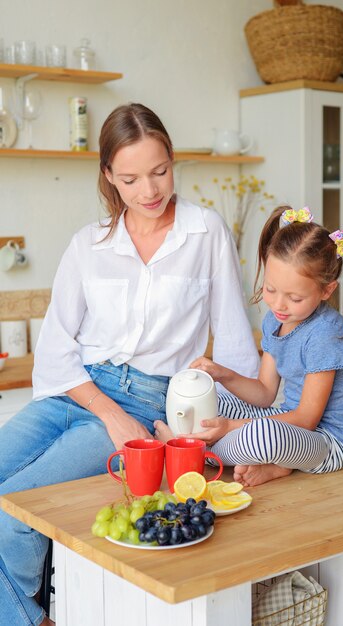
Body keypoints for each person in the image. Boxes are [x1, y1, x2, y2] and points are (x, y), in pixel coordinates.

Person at [0, 103, 259, 626]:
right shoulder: (89, 244)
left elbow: (232, 343)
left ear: (172, 160)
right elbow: (55, 348)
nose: (149, 191)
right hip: (76, 391)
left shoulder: (205, 232)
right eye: (131, 178)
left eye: (159, 171)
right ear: (109, 178)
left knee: (13, 508)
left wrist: (236, 440)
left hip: (148, 402)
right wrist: (109, 414)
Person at [156, 205, 343, 488]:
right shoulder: (276, 320)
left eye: (294, 298)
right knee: (210, 402)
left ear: (327, 290)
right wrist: (222, 374)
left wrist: (231, 427)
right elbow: (264, 394)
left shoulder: (325, 336)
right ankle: (268, 462)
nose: (279, 305)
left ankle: (189, 447)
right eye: (271, 289)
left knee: (264, 435)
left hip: (327, 441)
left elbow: (307, 419)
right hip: (290, 421)